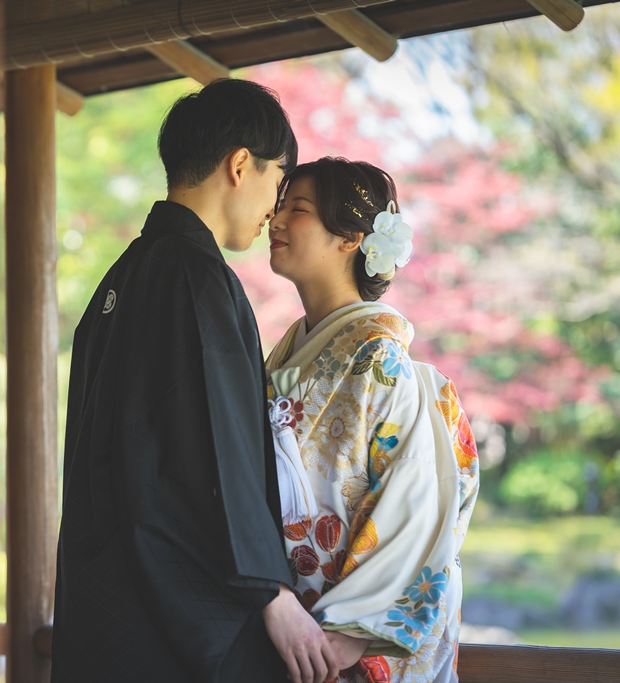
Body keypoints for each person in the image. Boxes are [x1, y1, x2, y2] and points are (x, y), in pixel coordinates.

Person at [52, 79, 341, 683]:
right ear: (241, 165)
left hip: (107, 601)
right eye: (278, 180)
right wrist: (271, 593)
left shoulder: (121, 277)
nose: (276, 208)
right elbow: (216, 454)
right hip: (167, 622)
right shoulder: (195, 277)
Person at [264, 157, 481, 682]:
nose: (275, 221)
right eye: (278, 205)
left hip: (339, 636)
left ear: (350, 238)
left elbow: (416, 496)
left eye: (297, 209)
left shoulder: (376, 357)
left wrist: (350, 632)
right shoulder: (292, 351)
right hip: (293, 619)